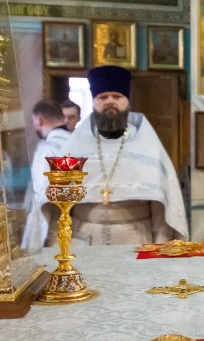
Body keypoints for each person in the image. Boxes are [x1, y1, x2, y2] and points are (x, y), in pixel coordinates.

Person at [48, 66, 188, 246]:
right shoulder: (74, 147)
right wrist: (56, 246)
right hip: (84, 240)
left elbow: (160, 207)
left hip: (135, 238)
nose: (110, 101)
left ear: (127, 102)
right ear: (93, 103)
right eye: (103, 97)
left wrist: (159, 247)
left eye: (117, 96)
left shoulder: (148, 146)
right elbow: (58, 205)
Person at [21, 99, 72, 249]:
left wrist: (34, 240)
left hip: (51, 225)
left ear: (39, 120)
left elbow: (42, 194)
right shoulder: (75, 143)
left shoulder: (47, 148)